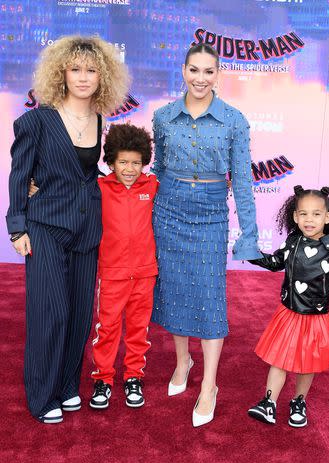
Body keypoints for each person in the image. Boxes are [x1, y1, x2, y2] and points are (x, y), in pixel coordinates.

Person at [6, 35, 129, 423]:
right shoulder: (37, 120)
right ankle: (42, 398)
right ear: (61, 72)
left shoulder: (99, 119)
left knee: (77, 315)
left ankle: (65, 387)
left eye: (91, 70)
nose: (82, 77)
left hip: (86, 228)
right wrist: (17, 226)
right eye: (75, 69)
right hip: (44, 227)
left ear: (102, 77)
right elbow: (18, 175)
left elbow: (87, 175)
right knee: (51, 312)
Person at [151, 43, 261, 427]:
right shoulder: (164, 116)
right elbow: (158, 168)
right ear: (183, 70)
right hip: (168, 212)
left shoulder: (234, 120)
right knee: (175, 290)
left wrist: (249, 235)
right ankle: (183, 360)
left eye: (208, 71)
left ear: (218, 73)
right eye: (193, 70)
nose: (200, 78)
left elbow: (243, 181)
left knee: (211, 297)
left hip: (211, 214)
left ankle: (209, 385)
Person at [247, 185, 329, 428]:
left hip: (317, 317)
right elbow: (275, 263)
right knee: (279, 359)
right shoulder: (293, 242)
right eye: (303, 213)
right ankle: (269, 402)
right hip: (289, 313)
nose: (309, 219)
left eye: (316, 214)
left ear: (327, 217)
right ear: (295, 216)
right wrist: (251, 253)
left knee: (308, 363)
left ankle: (298, 401)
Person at [89, 124, 158, 410]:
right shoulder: (99, 188)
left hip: (144, 273)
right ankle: (103, 379)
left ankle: (133, 377)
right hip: (112, 274)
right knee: (107, 329)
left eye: (136, 163)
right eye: (123, 162)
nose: (130, 169)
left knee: (138, 330)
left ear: (144, 161)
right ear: (111, 162)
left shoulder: (153, 185)